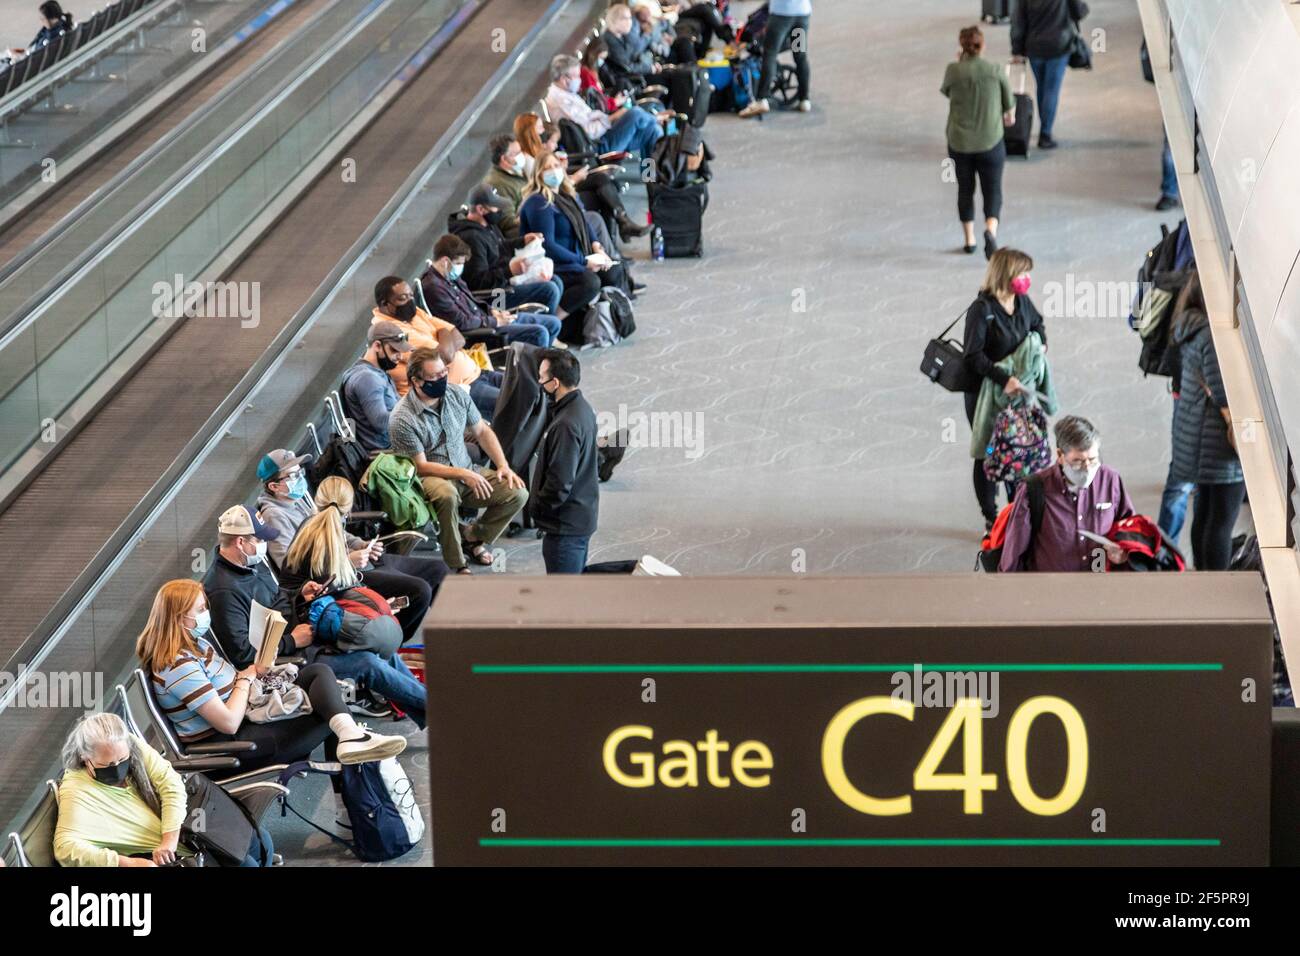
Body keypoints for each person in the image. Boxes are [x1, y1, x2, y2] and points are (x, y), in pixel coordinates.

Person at [139, 579, 407, 766]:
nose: (206, 614)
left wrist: (257, 672)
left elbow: (229, 686)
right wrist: (246, 677)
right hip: (232, 742)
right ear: (177, 619)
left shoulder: (196, 644)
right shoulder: (177, 666)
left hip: (247, 716)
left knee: (318, 673)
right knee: (329, 712)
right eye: (199, 610)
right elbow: (228, 722)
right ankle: (350, 747)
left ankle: (351, 736)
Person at [256, 452, 447, 639]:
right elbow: (292, 565)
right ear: (274, 486)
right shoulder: (274, 515)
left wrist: (362, 544)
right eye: (293, 475)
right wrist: (347, 561)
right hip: (337, 578)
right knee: (419, 591)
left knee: (438, 570)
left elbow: (332, 528)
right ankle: (391, 644)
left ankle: (453, 631)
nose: (300, 478)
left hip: (351, 562)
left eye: (300, 472)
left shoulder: (297, 500)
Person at [53, 713, 275, 867]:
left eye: (123, 760)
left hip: (183, 831)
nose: (118, 767)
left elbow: (170, 783)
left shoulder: (128, 742)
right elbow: (65, 848)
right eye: (108, 765)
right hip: (174, 852)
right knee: (245, 862)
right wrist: (126, 863)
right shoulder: (77, 790)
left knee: (260, 841)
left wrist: (169, 839)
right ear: (85, 757)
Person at [279, 506, 429, 727]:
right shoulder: (318, 565)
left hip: (313, 638)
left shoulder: (302, 565)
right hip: (302, 651)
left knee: (385, 654)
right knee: (370, 661)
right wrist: (291, 640)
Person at [387, 348, 528, 574]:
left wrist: (503, 465)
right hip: (428, 478)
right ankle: (457, 562)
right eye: (434, 377)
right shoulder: (402, 418)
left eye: (444, 373)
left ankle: (472, 536)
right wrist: (463, 474)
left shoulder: (456, 394)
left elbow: (481, 431)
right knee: (447, 494)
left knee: (517, 492)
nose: (442, 379)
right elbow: (420, 467)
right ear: (416, 380)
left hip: (465, 469)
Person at [961, 248, 1047, 529]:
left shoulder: (1021, 301)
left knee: (1018, 447)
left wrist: (1041, 344)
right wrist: (1003, 379)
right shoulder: (982, 310)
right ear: (1006, 275)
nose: (1026, 279)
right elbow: (973, 356)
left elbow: (1037, 324)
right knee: (988, 450)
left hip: (1018, 394)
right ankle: (991, 514)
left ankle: (1016, 506)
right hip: (987, 394)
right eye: (1022, 273)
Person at [1167, 272, 1243, 570]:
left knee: (1205, 513)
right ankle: (1217, 583)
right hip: (1216, 444)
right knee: (1222, 520)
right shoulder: (1212, 334)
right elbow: (1221, 388)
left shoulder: (1187, 324)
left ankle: (1202, 577)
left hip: (1195, 436)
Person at [998, 415, 1136, 572]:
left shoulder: (1110, 480)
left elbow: (1130, 529)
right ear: (1060, 456)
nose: (1087, 468)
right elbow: (1013, 552)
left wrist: (1124, 550)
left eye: (1093, 459)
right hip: (1051, 590)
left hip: (1100, 585)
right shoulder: (1034, 490)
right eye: (1077, 461)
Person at [519, 150, 626, 339]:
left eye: (556, 166)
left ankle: (605, 321)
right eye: (548, 168)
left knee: (613, 271)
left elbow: (584, 222)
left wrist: (596, 247)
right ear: (539, 175)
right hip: (555, 263)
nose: (554, 171)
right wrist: (584, 261)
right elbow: (549, 246)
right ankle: (553, 324)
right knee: (590, 282)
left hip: (576, 256)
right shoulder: (539, 202)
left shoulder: (566, 195)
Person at [371, 275, 503, 419]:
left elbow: (457, 335)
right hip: (460, 391)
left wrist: (444, 333)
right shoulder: (390, 331)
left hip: (478, 373)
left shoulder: (413, 313)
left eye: (411, 295)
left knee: (526, 387)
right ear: (385, 304)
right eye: (403, 298)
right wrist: (443, 332)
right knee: (517, 404)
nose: (410, 301)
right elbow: (445, 355)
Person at [202, 504, 314, 669]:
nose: (264, 544)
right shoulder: (223, 592)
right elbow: (242, 653)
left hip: (297, 624)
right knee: (361, 657)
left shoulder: (250, 561)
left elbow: (274, 596)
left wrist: (298, 594)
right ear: (240, 542)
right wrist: (291, 641)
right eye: (259, 539)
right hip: (286, 654)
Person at [941, 25, 1015, 257]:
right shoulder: (995, 70)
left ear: (961, 47)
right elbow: (1009, 107)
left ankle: (969, 239)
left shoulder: (953, 70)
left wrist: (960, 62)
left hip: (960, 142)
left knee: (965, 189)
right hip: (990, 141)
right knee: (992, 189)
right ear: (982, 46)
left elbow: (947, 92)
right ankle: (990, 231)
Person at [419, 233, 559, 347]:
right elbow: (462, 322)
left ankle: (544, 360)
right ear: (445, 261)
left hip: (487, 319)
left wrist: (492, 310)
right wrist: (494, 321)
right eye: (459, 263)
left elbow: (472, 298)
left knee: (553, 323)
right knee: (540, 333)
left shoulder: (449, 276)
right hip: (482, 333)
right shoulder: (434, 288)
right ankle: (538, 373)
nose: (460, 267)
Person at [449, 183, 563, 315]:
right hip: (494, 297)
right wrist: (509, 271)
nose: (499, 210)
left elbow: (499, 247)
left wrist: (522, 241)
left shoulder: (486, 226)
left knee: (555, 281)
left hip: (504, 282)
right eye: (495, 207)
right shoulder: (471, 238)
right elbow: (478, 282)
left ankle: (550, 326)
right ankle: (547, 327)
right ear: (481, 209)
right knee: (549, 290)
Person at [534, 349, 599, 573]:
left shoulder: (565, 424)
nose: (540, 382)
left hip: (565, 527)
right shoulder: (582, 409)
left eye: (542, 378)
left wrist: (539, 509)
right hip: (580, 516)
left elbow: (560, 483)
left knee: (562, 598)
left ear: (555, 382)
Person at [545, 53, 666, 159]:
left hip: (605, 134)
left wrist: (613, 118)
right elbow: (590, 132)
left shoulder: (567, 93)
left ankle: (650, 177)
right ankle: (657, 118)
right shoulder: (560, 102)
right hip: (599, 145)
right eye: (576, 76)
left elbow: (589, 118)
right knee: (635, 113)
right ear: (563, 79)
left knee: (653, 131)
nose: (580, 80)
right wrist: (612, 118)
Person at [1010, 0, 1090, 150]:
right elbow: (1080, 12)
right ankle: (1045, 134)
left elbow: (1018, 21)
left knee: (1042, 88)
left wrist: (1016, 49)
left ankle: (1045, 126)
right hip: (1058, 46)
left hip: (1034, 47)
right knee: (1051, 90)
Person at [340, 320, 411, 452]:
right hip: (387, 453)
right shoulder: (367, 378)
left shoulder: (377, 372)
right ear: (377, 346)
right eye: (394, 350)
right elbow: (382, 424)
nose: (400, 356)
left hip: (398, 444)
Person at [738, 0, 813, 118]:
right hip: (801, 14)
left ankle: (762, 99)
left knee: (769, 55)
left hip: (781, 15)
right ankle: (804, 100)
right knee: (800, 55)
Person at [483, 134, 530, 238]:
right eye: (516, 154)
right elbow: (507, 222)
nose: (522, 155)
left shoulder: (515, 172)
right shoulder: (497, 183)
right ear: (504, 159)